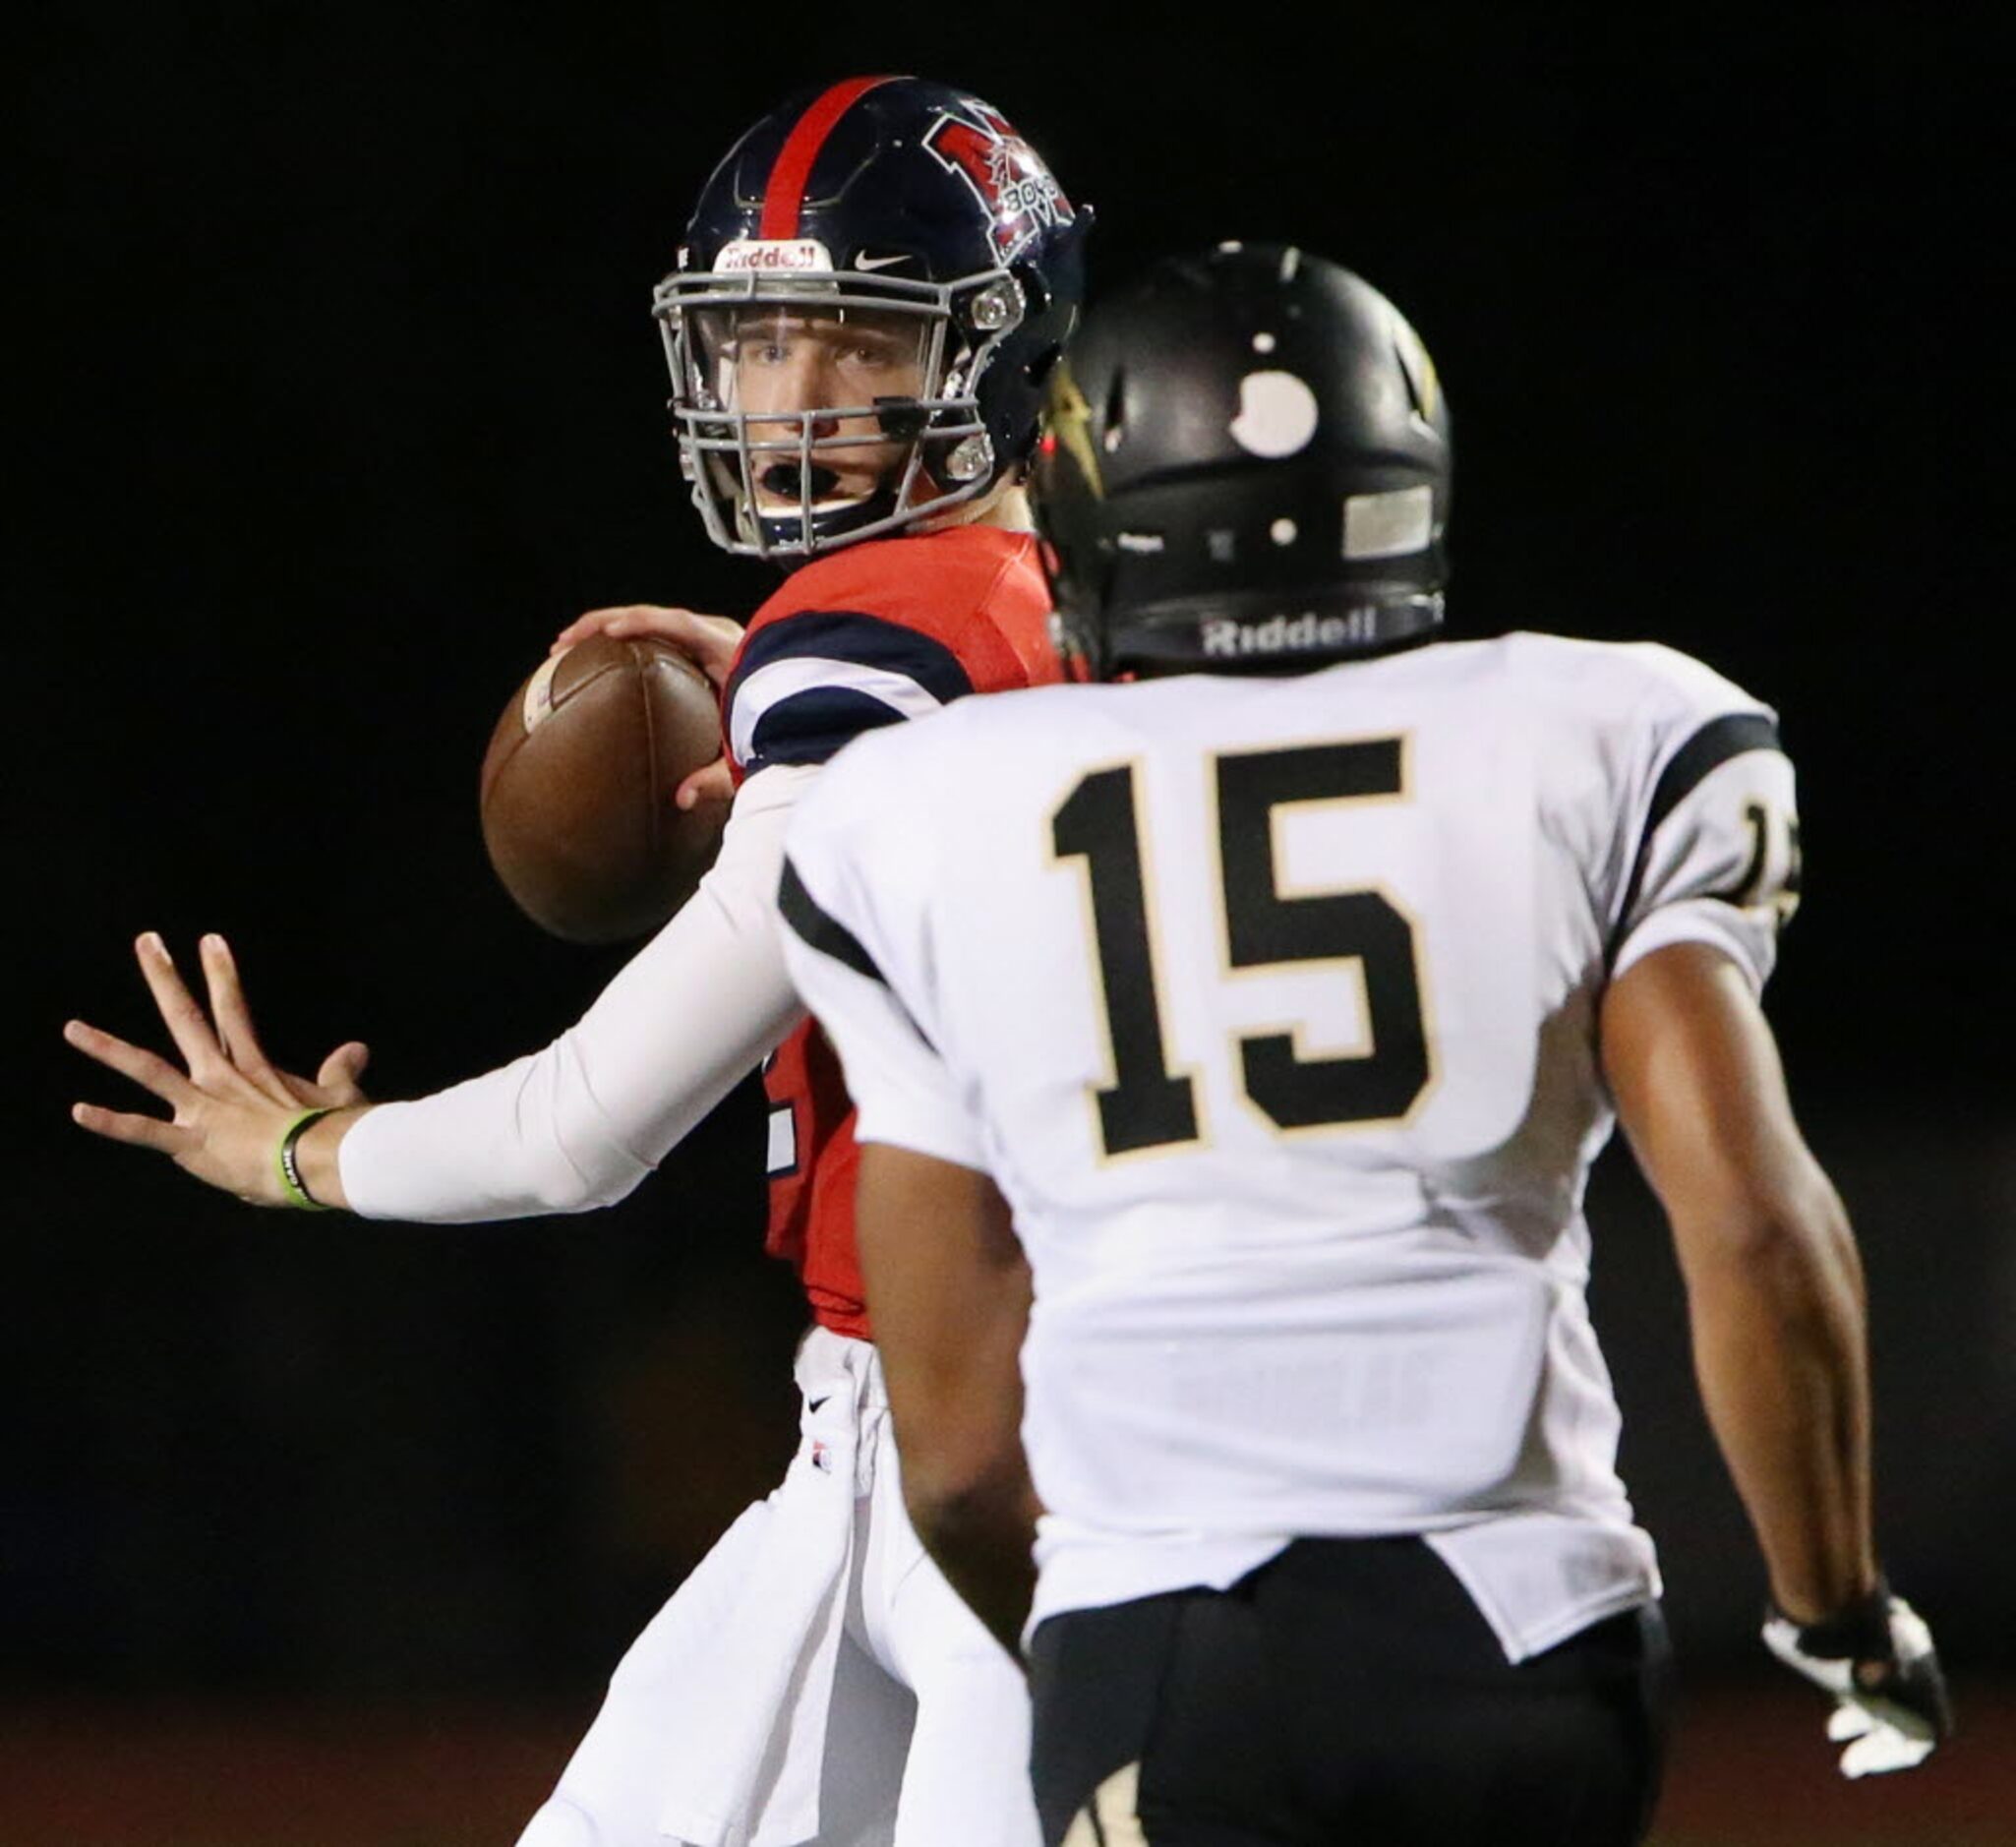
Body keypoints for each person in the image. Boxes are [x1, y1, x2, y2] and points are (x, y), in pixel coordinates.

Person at [774, 243, 1953, 1846]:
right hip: (1532, 1637)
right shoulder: (1603, 735)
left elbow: (961, 1454)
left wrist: (1095, 1659)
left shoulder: (925, 813)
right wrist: (1836, 1602)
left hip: (1174, 1635)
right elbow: (1750, 1221)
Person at [65, 75, 1087, 1847]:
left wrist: (300, 1153)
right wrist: (804, 688)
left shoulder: (872, 652)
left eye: (852, 339)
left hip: (1009, 1443)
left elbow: (579, 1130)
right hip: (947, 1424)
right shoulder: (1080, 590)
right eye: (757, 343)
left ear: (994, 341)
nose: (789, 396)